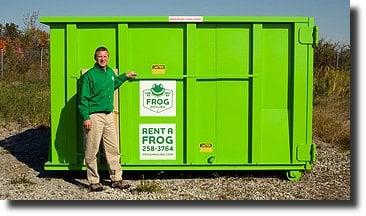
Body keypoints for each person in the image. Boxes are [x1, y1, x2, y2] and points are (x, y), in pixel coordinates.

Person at [78, 46, 137, 192]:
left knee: (113, 148)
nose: (102, 59)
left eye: (105, 56)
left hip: (108, 115)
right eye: (100, 56)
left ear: (108, 57)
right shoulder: (89, 76)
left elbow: (113, 84)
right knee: (92, 150)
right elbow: (83, 98)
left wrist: (124, 76)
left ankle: (116, 179)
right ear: (95, 58)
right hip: (94, 116)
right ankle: (93, 181)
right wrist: (86, 117)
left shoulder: (110, 72)